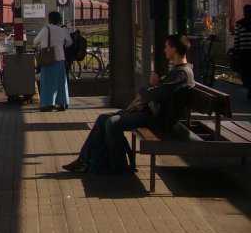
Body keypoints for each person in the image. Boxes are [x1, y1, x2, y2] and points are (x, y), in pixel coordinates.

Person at [62, 33, 194, 175]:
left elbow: (157, 93)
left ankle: (119, 165)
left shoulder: (182, 73)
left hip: (159, 118)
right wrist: (153, 83)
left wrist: (147, 89)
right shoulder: (179, 70)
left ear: (174, 49)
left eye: (167, 47)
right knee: (103, 119)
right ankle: (84, 160)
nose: (164, 50)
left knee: (112, 123)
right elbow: (162, 89)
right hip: (152, 112)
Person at [33, 11, 73, 112]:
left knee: (48, 82)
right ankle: (62, 103)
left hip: (48, 59)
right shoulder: (63, 30)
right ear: (59, 20)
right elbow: (69, 42)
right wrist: (60, 46)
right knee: (61, 82)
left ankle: (48, 104)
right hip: (60, 58)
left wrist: (42, 44)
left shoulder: (45, 29)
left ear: (49, 19)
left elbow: (35, 42)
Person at [233, 4, 251, 99]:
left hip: (243, 52)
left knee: (245, 71)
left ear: (244, 13)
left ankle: (249, 88)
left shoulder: (239, 24)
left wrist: (236, 50)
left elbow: (237, 39)